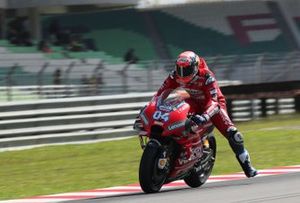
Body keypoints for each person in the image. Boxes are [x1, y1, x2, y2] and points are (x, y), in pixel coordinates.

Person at [136, 51, 257, 178]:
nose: (182, 74)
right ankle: (176, 147)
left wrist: (205, 116)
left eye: (186, 69)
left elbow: (214, 101)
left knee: (234, 135)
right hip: (192, 101)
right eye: (179, 69)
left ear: (195, 67)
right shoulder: (174, 75)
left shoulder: (207, 77)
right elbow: (160, 94)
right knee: (173, 109)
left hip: (213, 105)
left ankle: (247, 166)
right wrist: (153, 107)